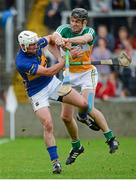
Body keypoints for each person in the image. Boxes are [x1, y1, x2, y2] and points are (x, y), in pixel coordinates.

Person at [16, 30, 91, 174]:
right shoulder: (22, 62)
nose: (35, 46)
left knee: (84, 104)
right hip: (37, 92)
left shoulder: (37, 43)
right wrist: (67, 59)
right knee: (48, 124)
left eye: (34, 43)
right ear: (23, 46)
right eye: (31, 45)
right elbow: (49, 71)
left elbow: (51, 37)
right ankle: (55, 162)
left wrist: (60, 42)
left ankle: (78, 140)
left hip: (52, 84)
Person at [53, 8, 119, 165]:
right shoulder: (64, 29)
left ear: (84, 22)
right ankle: (77, 147)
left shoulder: (90, 31)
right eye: (72, 20)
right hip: (68, 74)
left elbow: (85, 39)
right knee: (65, 117)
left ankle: (110, 138)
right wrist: (58, 40)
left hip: (87, 74)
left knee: (87, 106)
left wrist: (68, 42)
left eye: (77, 21)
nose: (74, 24)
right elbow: (55, 35)